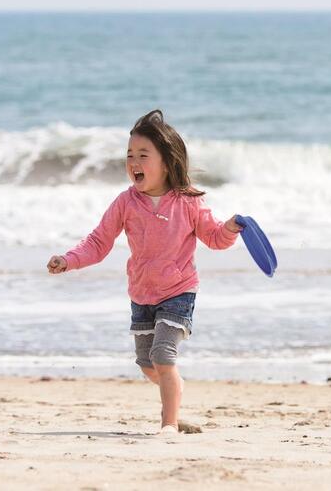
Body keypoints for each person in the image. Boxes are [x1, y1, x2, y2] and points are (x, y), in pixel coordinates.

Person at [46, 110, 241, 434]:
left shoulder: (189, 201)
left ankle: (168, 425)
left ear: (166, 161)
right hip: (142, 293)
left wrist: (232, 227)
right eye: (129, 155)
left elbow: (215, 238)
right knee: (149, 366)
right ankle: (174, 395)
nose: (134, 161)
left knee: (163, 357)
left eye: (143, 155)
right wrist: (69, 260)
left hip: (179, 290)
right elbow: (98, 241)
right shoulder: (126, 202)